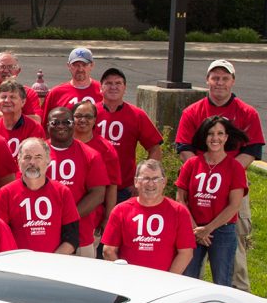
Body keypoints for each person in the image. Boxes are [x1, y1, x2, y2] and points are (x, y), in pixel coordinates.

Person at [175, 59, 264, 291]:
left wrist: (227, 171)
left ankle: (238, 297)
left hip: (233, 187)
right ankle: (193, 294)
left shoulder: (247, 113)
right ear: (207, 80)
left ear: (232, 81)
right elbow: (183, 147)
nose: (219, 83)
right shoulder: (192, 112)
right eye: (215, 78)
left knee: (234, 248)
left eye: (225, 78)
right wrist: (202, 168)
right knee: (192, 245)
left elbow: (252, 151)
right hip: (198, 185)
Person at [175, 115, 249, 285]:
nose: (215, 138)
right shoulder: (192, 164)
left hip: (222, 231)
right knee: (186, 281)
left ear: (226, 137)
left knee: (222, 281)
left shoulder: (235, 167)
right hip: (192, 229)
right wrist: (195, 229)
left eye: (220, 133)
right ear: (204, 136)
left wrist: (207, 229)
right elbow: (180, 198)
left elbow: (234, 205)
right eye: (210, 133)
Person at [100, 160, 197, 275]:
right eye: (145, 178)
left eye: (156, 179)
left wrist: (168, 281)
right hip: (128, 284)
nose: (151, 184)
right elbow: (108, 250)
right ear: (136, 182)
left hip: (163, 285)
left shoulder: (179, 212)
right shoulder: (120, 210)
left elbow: (186, 253)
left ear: (164, 182)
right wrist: (125, 278)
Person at [42, 104, 113, 254]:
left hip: (81, 234)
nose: (61, 126)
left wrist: (66, 219)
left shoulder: (91, 155)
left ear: (73, 124)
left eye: (66, 122)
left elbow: (98, 194)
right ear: (48, 125)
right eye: (55, 122)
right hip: (43, 232)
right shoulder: (38, 154)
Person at [0, 139, 80, 255]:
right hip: (17, 265)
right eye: (27, 157)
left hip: (53, 266)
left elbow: (72, 238)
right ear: (18, 161)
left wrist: (50, 263)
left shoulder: (62, 192)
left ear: (48, 160)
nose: (32, 162)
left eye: (38, 157)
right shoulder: (6, 193)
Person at [94, 68, 164, 201]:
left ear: (125, 88)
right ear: (100, 88)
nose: (113, 87)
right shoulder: (90, 113)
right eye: (108, 83)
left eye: (118, 83)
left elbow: (154, 148)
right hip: (93, 186)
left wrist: (142, 180)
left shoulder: (137, 115)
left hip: (124, 187)